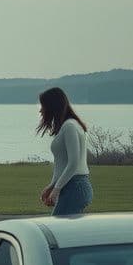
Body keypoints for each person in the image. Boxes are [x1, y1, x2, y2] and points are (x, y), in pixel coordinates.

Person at [36, 86, 93, 216]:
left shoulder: (69, 127)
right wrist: (51, 186)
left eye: (43, 106)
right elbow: (63, 163)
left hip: (75, 187)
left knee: (58, 225)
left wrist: (56, 188)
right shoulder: (68, 126)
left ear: (52, 106)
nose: (40, 110)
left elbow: (73, 163)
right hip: (73, 186)